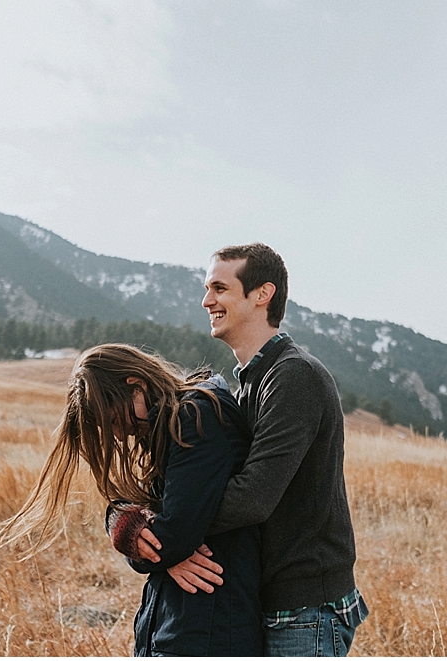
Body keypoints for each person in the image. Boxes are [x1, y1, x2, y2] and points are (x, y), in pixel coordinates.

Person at [136, 243, 368, 656]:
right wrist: (139, 525)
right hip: (266, 600)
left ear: (262, 295)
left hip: (304, 608)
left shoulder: (293, 376)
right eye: (208, 289)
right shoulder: (248, 383)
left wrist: (168, 534)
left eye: (220, 288)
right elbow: (186, 480)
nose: (207, 300)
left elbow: (252, 498)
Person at [0, 343, 263, 656]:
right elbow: (142, 513)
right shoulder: (172, 423)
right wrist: (121, 521)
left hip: (207, 627)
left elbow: (173, 537)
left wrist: (156, 544)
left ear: (136, 384)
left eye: (114, 421)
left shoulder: (193, 418)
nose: (120, 437)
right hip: (184, 623)